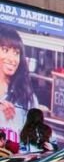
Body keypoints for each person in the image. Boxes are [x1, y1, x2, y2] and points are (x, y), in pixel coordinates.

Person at [0, 24, 38, 154]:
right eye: (5, 50)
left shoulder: (27, 97)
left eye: (16, 53)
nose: (12, 59)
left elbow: (34, 143)